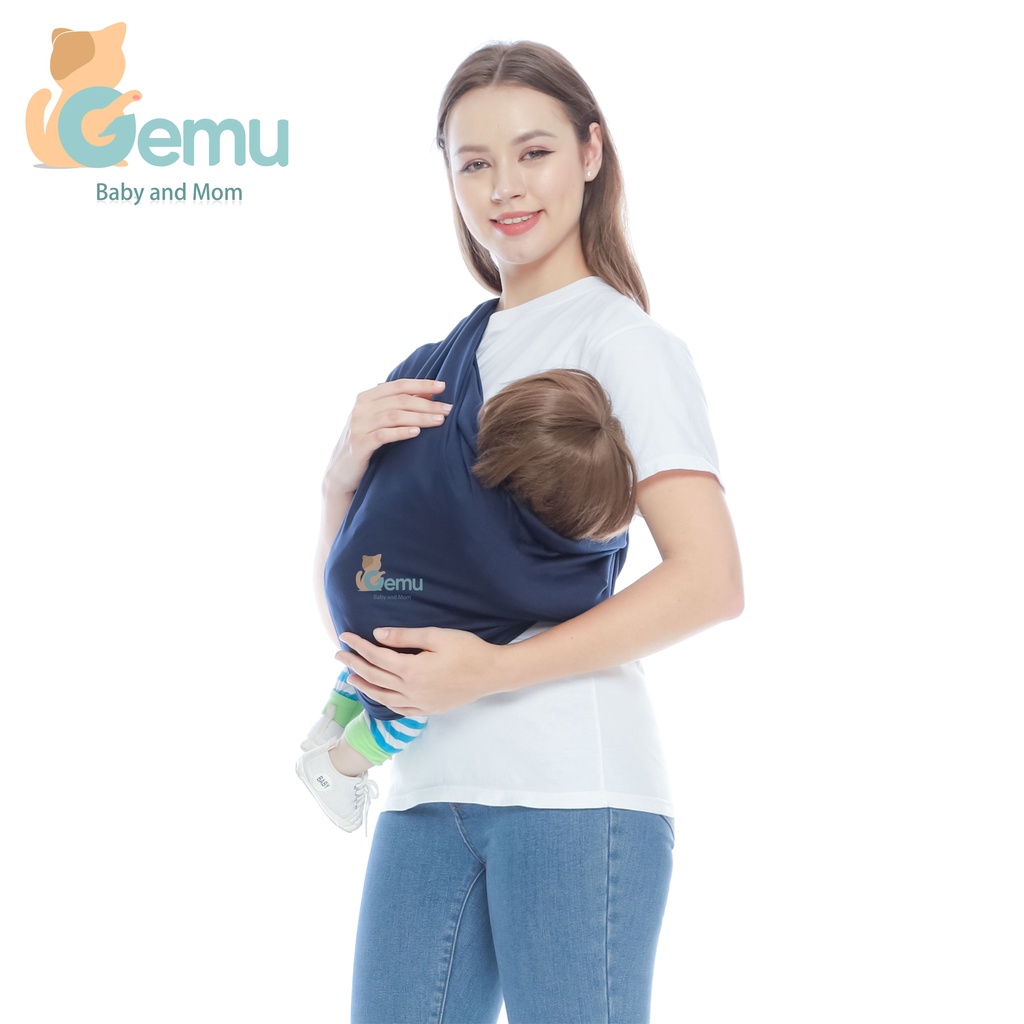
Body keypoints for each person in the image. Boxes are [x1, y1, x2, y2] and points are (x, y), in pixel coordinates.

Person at [310, 40, 743, 1024]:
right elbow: (365, 592)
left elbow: (711, 580)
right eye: (474, 162)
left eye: (534, 152)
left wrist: (492, 672)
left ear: (590, 153)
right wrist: (340, 470)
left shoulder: (621, 343)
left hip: (573, 790)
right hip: (426, 789)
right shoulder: (437, 360)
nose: (504, 186)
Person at [296, 368, 640, 832]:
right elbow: (578, 595)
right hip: (385, 617)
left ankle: (330, 722)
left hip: (350, 582)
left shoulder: (442, 458)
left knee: (369, 657)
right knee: (405, 707)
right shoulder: (507, 557)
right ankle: (337, 766)